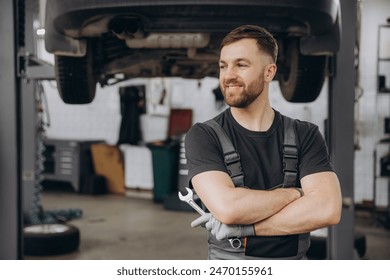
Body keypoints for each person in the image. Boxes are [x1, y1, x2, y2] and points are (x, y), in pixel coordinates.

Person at [185, 25, 342, 260]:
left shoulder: (305, 134)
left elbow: (326, 209)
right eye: (223, 66)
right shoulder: (203, 136)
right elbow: (229, 208)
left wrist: (245, 228)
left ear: (269, 72)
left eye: (241, 65)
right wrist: (297, 194)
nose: (228, 75)